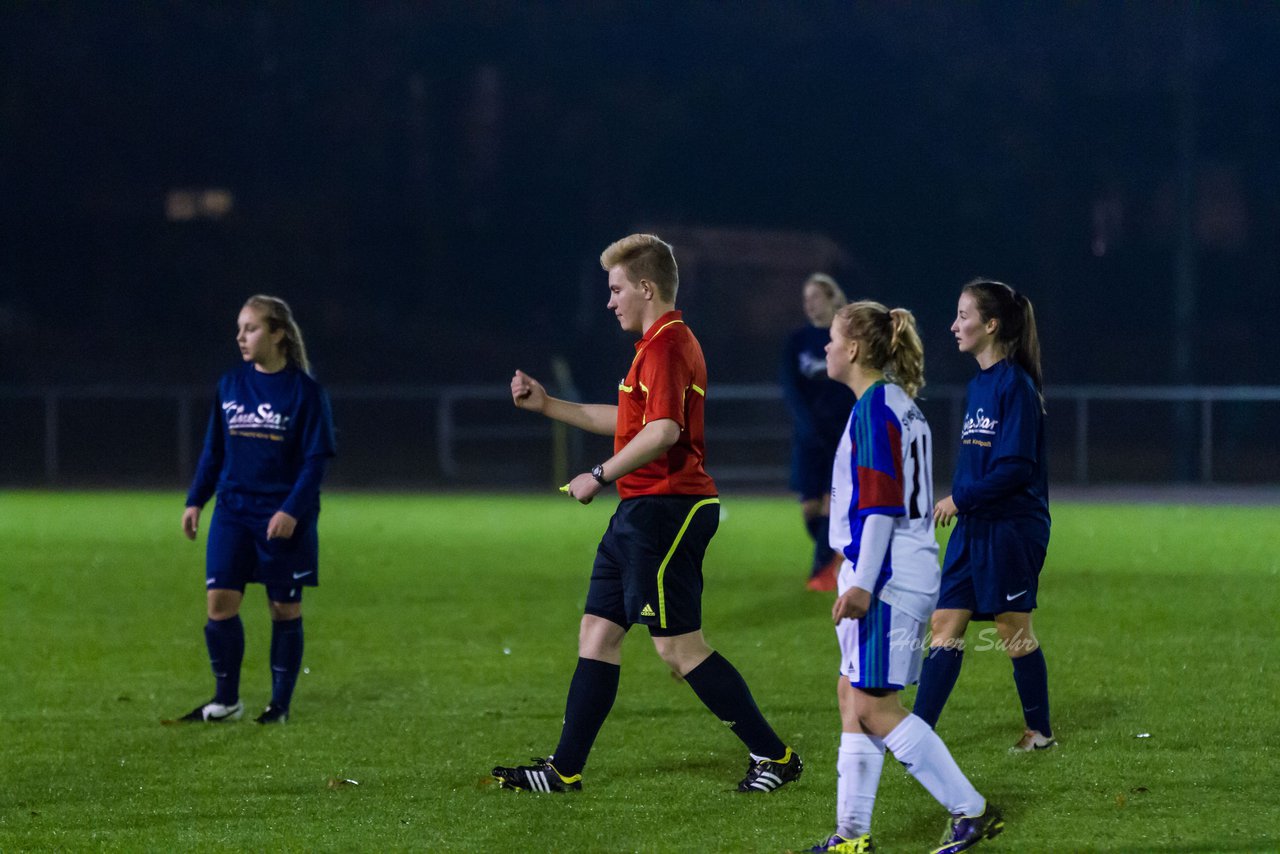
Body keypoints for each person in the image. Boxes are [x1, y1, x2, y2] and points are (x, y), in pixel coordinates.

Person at [491, 233, 802, 794]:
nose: (610, 302)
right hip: (640, 510)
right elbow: (631, 421)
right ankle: (564, 769)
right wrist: (548, 405)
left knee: (678, 648)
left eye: (615, 290)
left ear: (645, 287)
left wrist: (599, 475)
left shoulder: (666, 346)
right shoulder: (654, 346)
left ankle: (774, 756)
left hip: (667, 507)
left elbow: (663, 432)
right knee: (597, 633)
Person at [802, 301, 1003, 854]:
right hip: (892, 568)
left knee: (873, 706)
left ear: (854, 349)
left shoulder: (874, 408)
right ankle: (850, 835)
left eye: (832, 338)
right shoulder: (897, 403)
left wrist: (862, 582)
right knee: (852, 694)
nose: (824, 348)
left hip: (888, 576)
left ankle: (971, 810)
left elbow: (883, 506)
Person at [178, 295, 336, 725]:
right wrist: (196, 499)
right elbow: (214, 449)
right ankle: (226, 700)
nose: (241, 337)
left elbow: (316, 461)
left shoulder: (306, 393)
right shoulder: (231, 385)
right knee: (219, 605)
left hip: (282, 517)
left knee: (283, 609)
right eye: (239, 329)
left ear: (278, 333)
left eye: (250, 328)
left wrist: (290, 511)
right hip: (233, 511)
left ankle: (279, 705)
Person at [912, 279, 1054, 753]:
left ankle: (1040, 733)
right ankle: (918, 733)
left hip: (1012, 527)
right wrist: (966, 500)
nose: (954, 326)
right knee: (944, 625)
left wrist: (959, 498)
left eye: (964, 316)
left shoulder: (1016, 385)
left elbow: (1016, 468)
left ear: (991, 325)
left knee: (1013, 632)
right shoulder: (980, 384)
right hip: (977, 524)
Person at [782, 274, 856, 591]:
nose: (809, 303)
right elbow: (789, 386)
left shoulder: (843, 336)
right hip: (809, 437)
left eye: (815, 296)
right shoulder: (797, 341)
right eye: (805, 298)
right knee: (810, 509)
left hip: (839, 434)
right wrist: (806, 422)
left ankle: (822, 572)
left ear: (831, 298)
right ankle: (835, 553)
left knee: (831, 503)